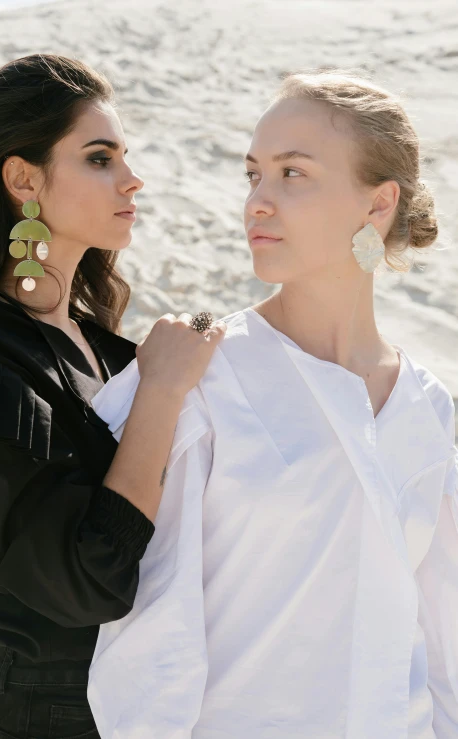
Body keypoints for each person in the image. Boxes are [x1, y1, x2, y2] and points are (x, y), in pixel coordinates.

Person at [86, 69, 458, 738]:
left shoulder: (428, 408)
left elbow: (443, 628)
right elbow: (150, 635)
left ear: (377, 206)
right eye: (253, 173)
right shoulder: (200, 377)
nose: (258, 200)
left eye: (293, 174)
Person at [0, 54, 226, 739]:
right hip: (33, 719)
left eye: (123, 156)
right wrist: (162, 392)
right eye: (100, 157)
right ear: (24, 179)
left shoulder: (103, 348)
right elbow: (90, 578)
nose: (131, 179)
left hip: (130, 705)